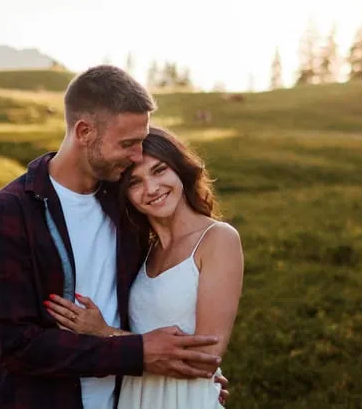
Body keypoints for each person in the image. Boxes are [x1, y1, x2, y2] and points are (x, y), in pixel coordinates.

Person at [0, 66, 229, 408]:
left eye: (141, 143)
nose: (138, 156)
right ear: (84, 132)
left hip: (127, 400)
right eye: (128, 144)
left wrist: (177, 376)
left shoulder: (122, 202)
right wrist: (140, 353)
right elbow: (15, 344)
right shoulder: (12, 211)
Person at [44, 126, 243, 408]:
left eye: (160, 170)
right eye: (135, 183)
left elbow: (205, 359)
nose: (151, 189)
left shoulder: (217, 239)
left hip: (184, 400)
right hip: (135, 397)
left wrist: (104, 333)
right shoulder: (143, 249)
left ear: (180, 170)